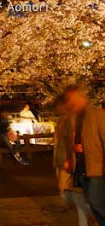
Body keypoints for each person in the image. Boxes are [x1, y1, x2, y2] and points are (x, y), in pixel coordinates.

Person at [60, 85, 105, 225]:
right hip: (80, 167)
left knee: (97, 202)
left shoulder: (98, 115)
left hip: (96, 167)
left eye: (73, 97)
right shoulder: (72, 118)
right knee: (92, 203)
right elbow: (69, 141)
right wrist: (69, 158)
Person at [53, 95, 93, 226]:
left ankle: (86, 220)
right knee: (69, 193)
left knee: (75, 194)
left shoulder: (74, 120)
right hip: (66, 161)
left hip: (74, 162)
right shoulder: (63, 121)